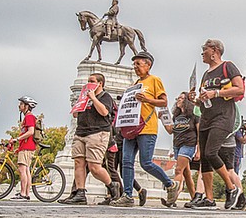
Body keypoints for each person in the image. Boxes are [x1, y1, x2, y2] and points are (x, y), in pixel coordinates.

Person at [112, 52, 178, 207]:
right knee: (126, 161)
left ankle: (170, 184)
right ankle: (127, 195)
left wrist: (147, 99)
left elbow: (163, 102)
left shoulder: (154, 80)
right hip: (131, 127)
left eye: (138, 64)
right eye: (134, 64)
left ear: (148, 65)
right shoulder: (134, 84)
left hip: (147, 127)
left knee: (146, 162)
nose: (135, 67)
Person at [187, 39, 244, 210]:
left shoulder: (228, 66)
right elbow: (204, 100)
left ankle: (232, 188)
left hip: (223, 117)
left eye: (204, 50)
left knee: (212, 153)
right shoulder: (206, 75)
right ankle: (209, 199)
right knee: (204, 158)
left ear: (214, 50)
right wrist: (195, 100)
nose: (202, 53)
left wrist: (217, 92)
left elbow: (240, 89)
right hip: (206, 117)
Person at [61, 73, 120, 205]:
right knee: (78, 163)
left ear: (100, 83)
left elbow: (105, 112)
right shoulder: (85, 96)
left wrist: (93, 98)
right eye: (88, 81)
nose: (89, 83)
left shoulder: (105, 97)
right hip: (81, 131)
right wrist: (80, 102)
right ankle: (80, 193)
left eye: (92, 81)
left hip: (97, 133)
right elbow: (75, 114)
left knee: (94, 167)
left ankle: (112, 185)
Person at [162, 92, 199, 204]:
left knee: (178, 170)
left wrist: (198, 150)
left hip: (188, 143)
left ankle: (172, 197)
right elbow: (170, 130)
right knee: (186, 174)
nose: (178, 100)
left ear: (186, 101)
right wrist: (163, 120)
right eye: (178, 98)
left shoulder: (193, 115)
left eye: (181, 98)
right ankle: (194, 198)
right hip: (177, 144)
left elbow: (199, 132)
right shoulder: (177, 116)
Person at [9, 96, 38, 201]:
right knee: (26, 170)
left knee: (23, 170)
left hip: (27, 146)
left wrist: (17, 139)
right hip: (26, 146)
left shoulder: (29, 117)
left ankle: (23, 193)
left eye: (21, 104)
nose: (19, 106)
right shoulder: (28, 117)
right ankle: (25, 193)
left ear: (27, 106)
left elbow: (30, 132)